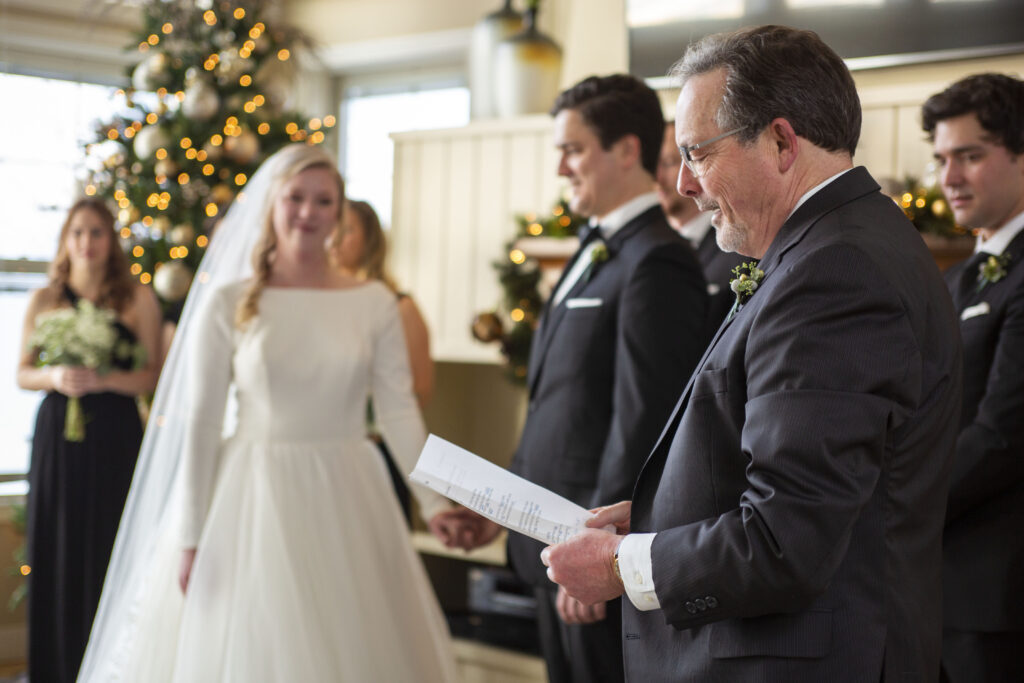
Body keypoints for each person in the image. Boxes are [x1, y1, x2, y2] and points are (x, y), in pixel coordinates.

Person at [540, 25, 962, 682]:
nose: (680, 183)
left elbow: (786, 540)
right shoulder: (830, 245)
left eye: (697, 154)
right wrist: (662, 512)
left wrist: (624, 565)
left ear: (782, 141)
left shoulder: (835, 271)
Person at [78, 144, 458, 682]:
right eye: (296, 198)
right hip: (252, 493)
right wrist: (189, 535)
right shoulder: (228, 301)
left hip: (349, 492)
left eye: (323, 201)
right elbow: (202, 423)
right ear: (272, 205)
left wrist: (435, 502)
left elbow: (398, 413)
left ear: (339, 212)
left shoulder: (373, 301)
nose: (308, 212)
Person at [438, 74, 708, 683]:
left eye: (574, 148)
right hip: (552, 548)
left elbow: (643, 424)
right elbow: (557, 405)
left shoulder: (658, 261)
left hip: (592, 560)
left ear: (627, 150)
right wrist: (505, 510)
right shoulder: (589, 247)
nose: (560, 167)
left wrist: (599, 558)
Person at [16, 197, 162, 683]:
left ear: (111, 240)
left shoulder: (135, 298)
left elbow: (150, 377)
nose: (87, 242)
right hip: (59, 435)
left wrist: (102, 380)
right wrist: (55, 374)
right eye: (78, 232)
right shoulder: (44, 299)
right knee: (57, 542)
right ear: (65, 240)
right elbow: (22, 372)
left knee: (109, 542)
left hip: (116, 434)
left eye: (96, 232)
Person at [921, 73, 1024, 683]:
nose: (949, 178)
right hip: (933, 582)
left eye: (970, 156)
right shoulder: (958, 279)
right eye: (941, 160)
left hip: (999, 590)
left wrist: (898, 501)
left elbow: (1003, 434)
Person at [330, 198, 433, 523]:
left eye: (346, 231)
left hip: (378, 451)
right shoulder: (320, 305)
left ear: (370, 240)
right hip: (327, 454)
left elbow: (420, 390)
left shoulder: (399, 306)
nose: (334, 239)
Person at [656, 120, 745, 332]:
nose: (658, 178)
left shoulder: (737, 246)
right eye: (653, 165)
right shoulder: (654, 246)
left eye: (668, 162)